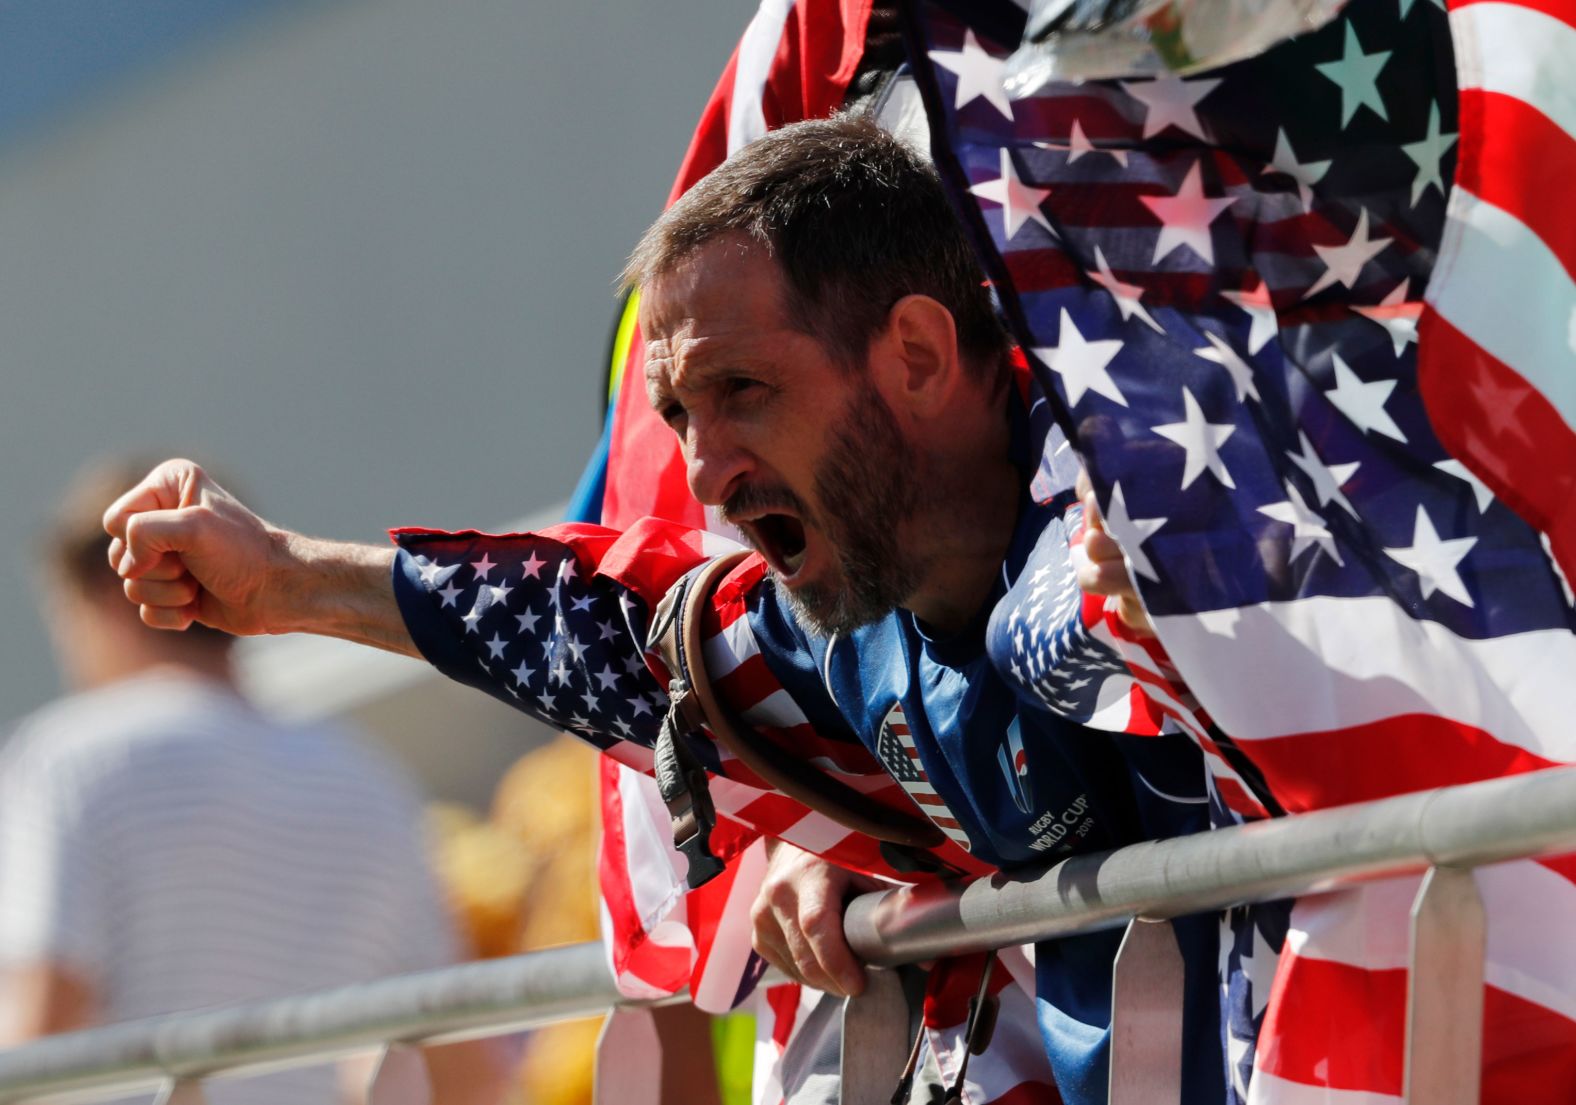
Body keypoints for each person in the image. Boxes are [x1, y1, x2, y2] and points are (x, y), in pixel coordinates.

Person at [103, 117, 1220, 1104]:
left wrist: (1190, 600)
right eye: (676, 413)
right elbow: (599, 630)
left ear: (918, 353)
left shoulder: (1202, 500)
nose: (701, 474)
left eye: (742, 391)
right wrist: (283, 579)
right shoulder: (849, 639)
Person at [0, 458, 509, 1105]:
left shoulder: (66, 763)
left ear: (104, 599)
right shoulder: (371, 781)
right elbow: (465, 1069)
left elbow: (38, 1025)